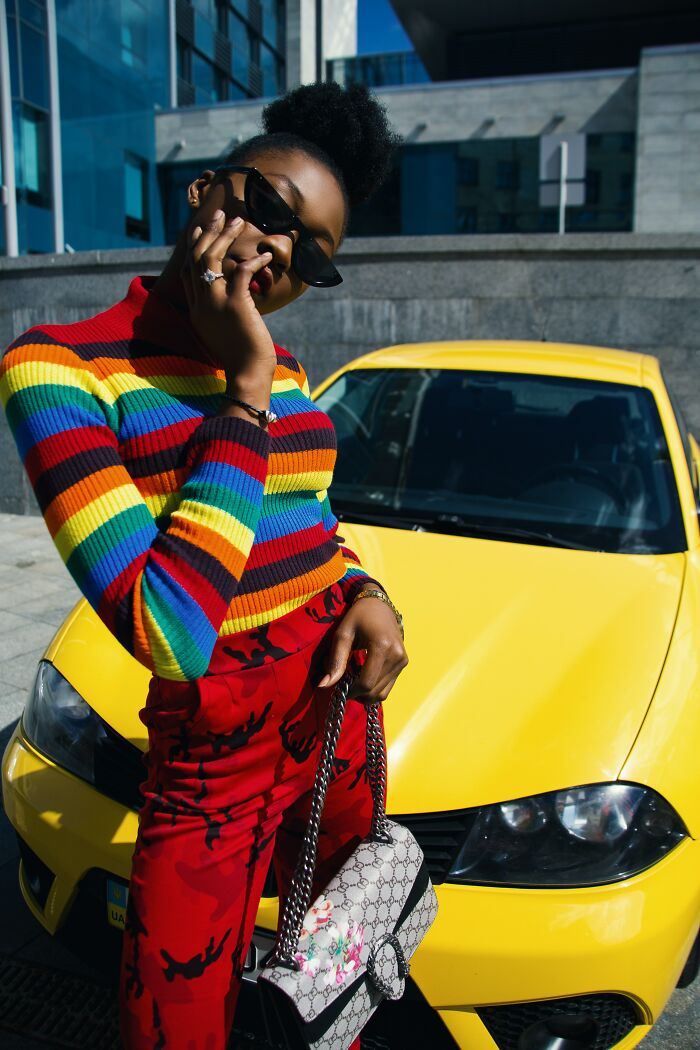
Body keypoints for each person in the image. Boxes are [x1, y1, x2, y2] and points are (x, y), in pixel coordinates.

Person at [0, 81, 407, 1049]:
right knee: (174, 1025)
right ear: (201, 191)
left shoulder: (289, 368)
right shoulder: (61, 369)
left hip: (336, 722)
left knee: (340, 985)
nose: (276, 253)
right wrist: (246, 391)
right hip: (212, 759)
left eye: (310, 254)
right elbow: (169, 631)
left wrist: (364, 589)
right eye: (267, 208)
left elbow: (304, 525)